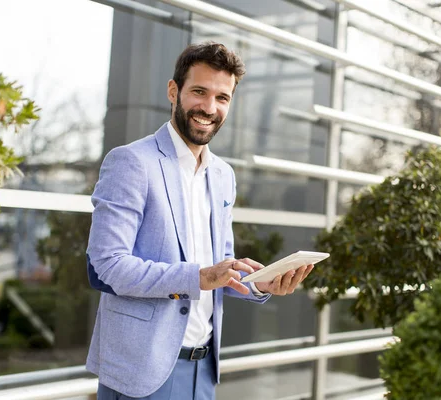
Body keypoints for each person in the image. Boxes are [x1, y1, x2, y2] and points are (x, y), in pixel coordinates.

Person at [85, 42, 314, 400]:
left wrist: (260, 285)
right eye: (199, 92)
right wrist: (199, 276)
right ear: (173, 91)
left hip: (203, 372)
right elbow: (107, 265)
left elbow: (220, 268)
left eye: (222, 98)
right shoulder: (131, 162)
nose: (210, 108)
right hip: (142, 375)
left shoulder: (223, 175)